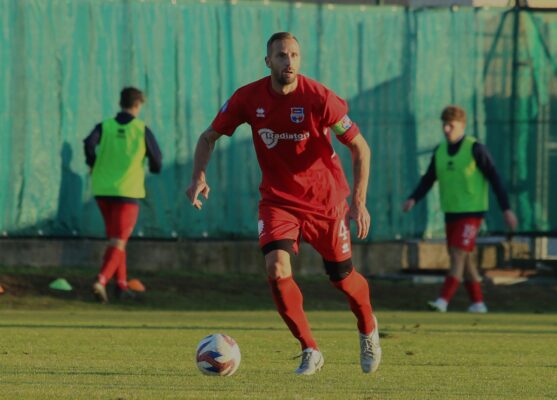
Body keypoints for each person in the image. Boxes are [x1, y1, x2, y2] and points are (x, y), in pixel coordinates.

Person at [186, 32, 381, 375]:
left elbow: (360, 147)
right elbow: (208, 136)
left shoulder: (320, 98)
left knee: (343, 279)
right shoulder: (248, 98)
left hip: (326, 202)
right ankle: (310, 349)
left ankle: (367, 326)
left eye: (293, 55)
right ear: (268, 61)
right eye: (280, 55)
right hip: (278, 201)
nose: (288, 61)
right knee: (276, 270)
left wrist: (359, 202)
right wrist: (198, 176)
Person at [403, 105, 518, 313]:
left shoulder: (476, 149)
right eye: (444, 125)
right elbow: (429, 178)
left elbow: (495, 178)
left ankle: (442, 301)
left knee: (457, 254)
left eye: (451, 125)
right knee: (463, 259)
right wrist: (413, 198)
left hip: (472, 214)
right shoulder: (440, 151)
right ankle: (478, 303)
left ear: (462, 125)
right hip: (451, 212)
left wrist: (506, 209)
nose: (446, 129)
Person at [84, 87, 162, 303]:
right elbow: (157, 160)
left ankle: (121, 285)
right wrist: (153, 167)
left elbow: (88, 143)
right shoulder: (141, 129)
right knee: (119, 241)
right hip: (127, 193)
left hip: (102, 191)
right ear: (138, 105)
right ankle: (101, 281)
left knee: (117, 240)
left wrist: (93, 163)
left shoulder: (105, 126)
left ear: (121, 103)